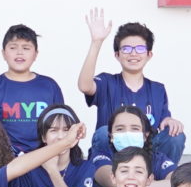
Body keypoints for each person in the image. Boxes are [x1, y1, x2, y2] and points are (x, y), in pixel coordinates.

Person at [78, 9, 184, 172]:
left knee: (175, 135)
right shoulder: (107, 82)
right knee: (102, 132)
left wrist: (170, 121)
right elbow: (85, 86)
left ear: (149, 54)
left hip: (147, 157)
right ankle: (107, 177)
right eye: (126, 49)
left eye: (140, 49)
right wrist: (96, 42)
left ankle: (159, 178)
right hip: (111, 158)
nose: (133, 53)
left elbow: (164, 123)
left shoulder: (157, 89)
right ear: (117, 55)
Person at [0, 23, 70, 159]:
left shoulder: (49, 86)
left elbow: (61, 125)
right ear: (3, 53)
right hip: (5, 160)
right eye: (13, 48)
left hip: (45, 158)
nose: (19, 52)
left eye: (26, 48)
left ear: (35, 54)